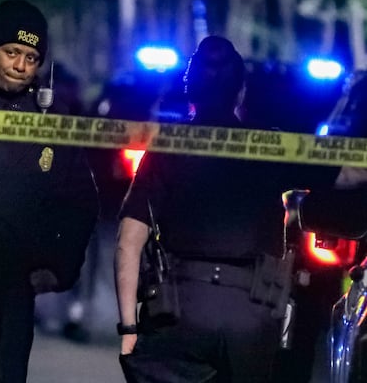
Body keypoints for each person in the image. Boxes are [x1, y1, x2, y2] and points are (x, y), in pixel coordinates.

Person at [114, 35, 345, 382]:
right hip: (252, 320)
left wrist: (128, 329)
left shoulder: (167, 149)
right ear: (240, 90)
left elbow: (127, 243)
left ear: (189, 88)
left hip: (178, 313)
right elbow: (346, 175)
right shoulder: (268, 147)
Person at [0, 0, 99, 383]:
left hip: (13, 281)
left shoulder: (54, 117)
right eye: (11, 52)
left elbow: (81, 199)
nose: (20, 65)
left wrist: (60, 268)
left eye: (31, 57)